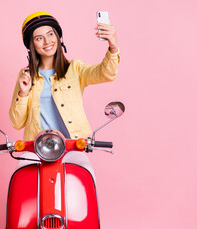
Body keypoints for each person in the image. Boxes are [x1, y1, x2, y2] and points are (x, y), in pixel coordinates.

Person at [9, 12, 120, 176]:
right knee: (21, 178)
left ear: (58, 36)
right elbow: (17, 123)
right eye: (39, 38)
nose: (47, 42)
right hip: (35, 148)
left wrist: (113, 47)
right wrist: (23, 93)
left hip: (71, 147)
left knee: (86, 177)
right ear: (32, 45)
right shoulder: (25, 75)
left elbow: (106, 73)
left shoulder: (75, 69)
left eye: (50, 34)